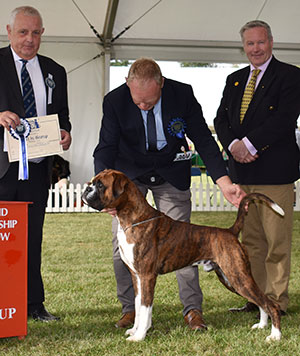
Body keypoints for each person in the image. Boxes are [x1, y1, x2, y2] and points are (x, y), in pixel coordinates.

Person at [93, 58, 245, 331]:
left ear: (161, 84)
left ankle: (192, 311)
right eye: (138, 101)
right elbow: (106, 146)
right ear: (128, 84)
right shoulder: (114, 100)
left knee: (184, 243)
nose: (143, 106)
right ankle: (131, 311)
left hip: (171, 173)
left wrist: (223, 181)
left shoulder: (182, 94)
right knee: (122, 249)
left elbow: (203, 139)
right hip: (130, 180)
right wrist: (104, 193)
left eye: (150, 101)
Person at [214, 20, 300, 316]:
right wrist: (233, 146)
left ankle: (276, 302)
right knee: (250, 242)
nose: (255, 49)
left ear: (271, 42)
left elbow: (284, 119)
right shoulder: (235, 79)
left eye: (260, 42)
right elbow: (220, 120)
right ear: (244, 47)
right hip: (243, 175)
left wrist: (248, 145)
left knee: (276, 241)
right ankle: (256, 299)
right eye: (250, 44)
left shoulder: (290, 76)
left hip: (275, 174)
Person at [0, 6, 72, 321]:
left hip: (37, 169)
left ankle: (32, 304)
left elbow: (63, 116)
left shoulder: (55, 70)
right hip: (1, 169)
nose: (30, 39)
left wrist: (66, 133)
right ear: (9, 31)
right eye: (23, 32)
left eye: (36, 32)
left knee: (31, 238)